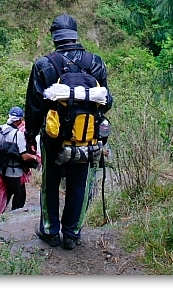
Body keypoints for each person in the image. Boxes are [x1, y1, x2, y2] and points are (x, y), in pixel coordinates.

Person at [25, 14, 113, 249]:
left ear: (54, 37)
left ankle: (50, 231)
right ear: (75, 34)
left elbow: (34, 107)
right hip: (87, 136)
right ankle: (72, 234)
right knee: (79, 183)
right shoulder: (95, 62)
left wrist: (29, 137)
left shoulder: (44, 65)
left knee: (51, 182)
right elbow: (107, 102)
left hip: (53, 138)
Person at [0, 106, 39, 210]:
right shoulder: (17, 134)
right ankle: (13, 218)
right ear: (20, 119)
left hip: (3, 170)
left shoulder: (2, 128)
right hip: (14, 172)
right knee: (20, 197)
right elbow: (24, 156)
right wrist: (34, 158)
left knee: (8, 193)